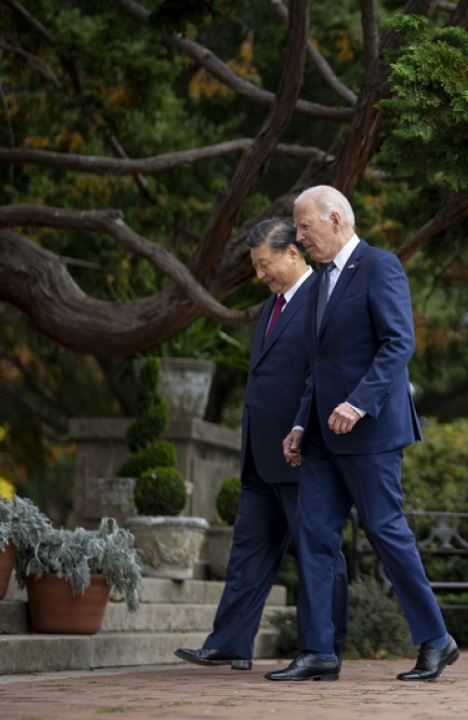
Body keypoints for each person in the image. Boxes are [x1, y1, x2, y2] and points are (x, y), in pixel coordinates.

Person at [265, 186, 457, 683]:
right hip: (324, 439)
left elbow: (399, 343)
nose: (299, 237)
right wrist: (301, 423)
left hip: (371, 432)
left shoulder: (380, 265)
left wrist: (359, 402)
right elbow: (318, 364)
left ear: (335, 220)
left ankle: (437, 640)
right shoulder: (320, 281)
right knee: (312, 536)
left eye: (305, 226)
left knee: (386, 532)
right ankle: (319, 651)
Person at [175, 219, 348, 671]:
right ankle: (230, 642)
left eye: (264, 264)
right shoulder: (274, 304)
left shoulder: (322, 298)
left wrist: (302, 429)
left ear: (293, 253)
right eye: (254, 266)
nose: (259, 274)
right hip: (258, 453)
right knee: (247, 551)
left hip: (301, 450)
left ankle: (326, 647)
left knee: (318, 550)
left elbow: (321, 375)